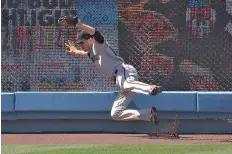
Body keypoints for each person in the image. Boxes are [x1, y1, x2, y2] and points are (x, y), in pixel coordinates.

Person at [58, 15, 162, 125]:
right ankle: (149, 113)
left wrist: (78, 24)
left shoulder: (98, 45)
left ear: (90, 39)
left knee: (126, 84)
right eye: (79, 44)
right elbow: (84, 53)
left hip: (123, 71)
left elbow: (94, 31)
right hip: (120, 80)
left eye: (82, 42)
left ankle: (151, 89)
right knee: (116, 114)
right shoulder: (92, 53)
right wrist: (75, 51)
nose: (81, 45)